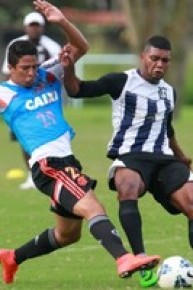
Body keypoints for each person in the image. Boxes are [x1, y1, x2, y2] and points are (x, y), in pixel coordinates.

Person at [0, 0, 160, 285]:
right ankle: (124, 257)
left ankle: (12, 257)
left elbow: (81, 48)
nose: (30, 73)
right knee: (93, 207)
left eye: (33, 66)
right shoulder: (4, 94)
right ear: (10, 67)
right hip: (48, 165)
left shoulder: (47, 74)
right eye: (24, 68)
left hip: (67, 161)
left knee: (67, 235)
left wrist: (61, 21)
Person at [62, 35, 193, 287]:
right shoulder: (121, 81)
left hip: (164, 160)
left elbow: (166, 128)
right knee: (128, 185)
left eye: (165, 60)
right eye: (154, 58)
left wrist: (181, 156)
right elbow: (76, 90)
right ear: (143, 56)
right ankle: (141, 259)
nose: (159, 64)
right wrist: (68, 67)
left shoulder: (169, 93)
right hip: (131, 157)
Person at [1, 9, 61, 190]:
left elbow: (60, 70)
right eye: (31, 26)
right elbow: (7, 71)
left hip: (43, 98)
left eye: (38, 26)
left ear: (43, 28)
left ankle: (53, 172)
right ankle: (32, 175)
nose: (35, 30)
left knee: (47, 134)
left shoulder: (51, 46)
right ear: (26, 27)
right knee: (24, 138)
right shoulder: (16, 45)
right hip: (20, 99)